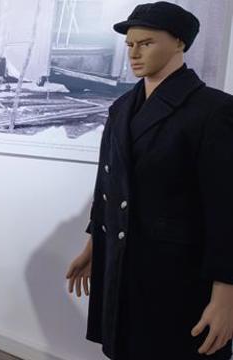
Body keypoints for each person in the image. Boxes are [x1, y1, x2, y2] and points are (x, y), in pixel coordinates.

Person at [66, 2, 233, 359]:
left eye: (147, 42)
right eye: (130, 44)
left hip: (178, 276)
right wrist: (95, 243)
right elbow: (108, 185)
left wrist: (226, 295)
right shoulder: (122, 108)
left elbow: (226, 210)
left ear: (179, 43)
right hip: (122, 264)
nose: (135, 53)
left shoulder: (213, 111)